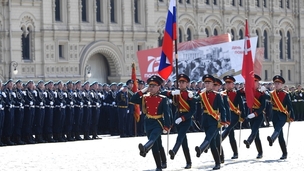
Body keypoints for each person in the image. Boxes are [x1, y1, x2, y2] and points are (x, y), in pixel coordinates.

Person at [130, 75, 171, 171]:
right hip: (148, 122)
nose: (151, 88)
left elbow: (167, 113)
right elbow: (133, 99)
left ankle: (145, 148)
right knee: (157, 144)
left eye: (153, 86)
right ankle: (162, 163)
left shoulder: (163, 98)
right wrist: (143, 90)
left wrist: (167, 126)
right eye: (150, 86)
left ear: (158, 87)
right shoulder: (145, 97)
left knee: (153, 139)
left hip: (158, 122)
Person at [194, 74, 226, 170]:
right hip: (206, 121)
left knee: (209, 138)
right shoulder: (202, 95)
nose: (207, 84)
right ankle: (218, 161)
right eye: (206, 83)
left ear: (213, 84)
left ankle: (201, 148)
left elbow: (223, 109)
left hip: (215, 121)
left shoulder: (217, 95)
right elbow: (195, 100)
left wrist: (223, 120)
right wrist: (191, 96)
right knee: (213, 143)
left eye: (209, 83)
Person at [165, 74, 196, 169]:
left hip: (185, 119)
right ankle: (189, 162)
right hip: (177, 118)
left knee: (180, 136)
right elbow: (162, 93)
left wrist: (183, 118)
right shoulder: (176, 93)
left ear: (187, 84)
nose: (181, 84)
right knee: (184, 142)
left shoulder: (190, 94)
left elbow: (192, 111)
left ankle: (174, 151)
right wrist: (171, 93)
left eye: (183, 82)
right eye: (179, 82)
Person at [267, 75, 295, 159]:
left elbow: (290, 106)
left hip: (283, 115)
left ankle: (272, 138)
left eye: (278, 83)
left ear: (282, 84)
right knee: (280, 135)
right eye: (275, 83)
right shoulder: (272, 94)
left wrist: (292, 116)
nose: (276, 85)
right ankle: (284, 153)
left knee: (278, 128)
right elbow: (266, 99)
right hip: (274, 115)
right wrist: (262, 91)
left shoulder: (285, 94)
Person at [221, 75, 245, 160]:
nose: (227, 85)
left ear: (233, 84)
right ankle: (235, 153)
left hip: (234, 115)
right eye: (226, 83)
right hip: (225, 116)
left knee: (228, 129)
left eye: (229, 83)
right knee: (231, 135)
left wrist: (243, 115)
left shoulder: (236, 93)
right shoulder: (222, 94)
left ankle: (219, 140)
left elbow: (241, 105)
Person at [243, 74, 267, 159]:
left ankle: (249, 141)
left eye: (255, 81)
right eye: (252, 81)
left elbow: (263, 106)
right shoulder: (249, 92)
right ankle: (260, 152)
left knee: (254, 130)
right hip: (250, 115)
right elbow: (239, 94)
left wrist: (255, 113)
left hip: (259, 115)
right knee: (256, 135)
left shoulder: (261, 93)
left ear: (258, 83)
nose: (254, 83)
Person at [213, 77, 230, 164]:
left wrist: (227, 120)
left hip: (218, 119)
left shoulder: (222, 95)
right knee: (216, 139)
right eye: (213, 84)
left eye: (215, 85)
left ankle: (220, 157)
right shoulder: (209, 94)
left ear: (219, 86)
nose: (214, 86)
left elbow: (226, 109)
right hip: (211, 118)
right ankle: (220, 157)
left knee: (216, 138)